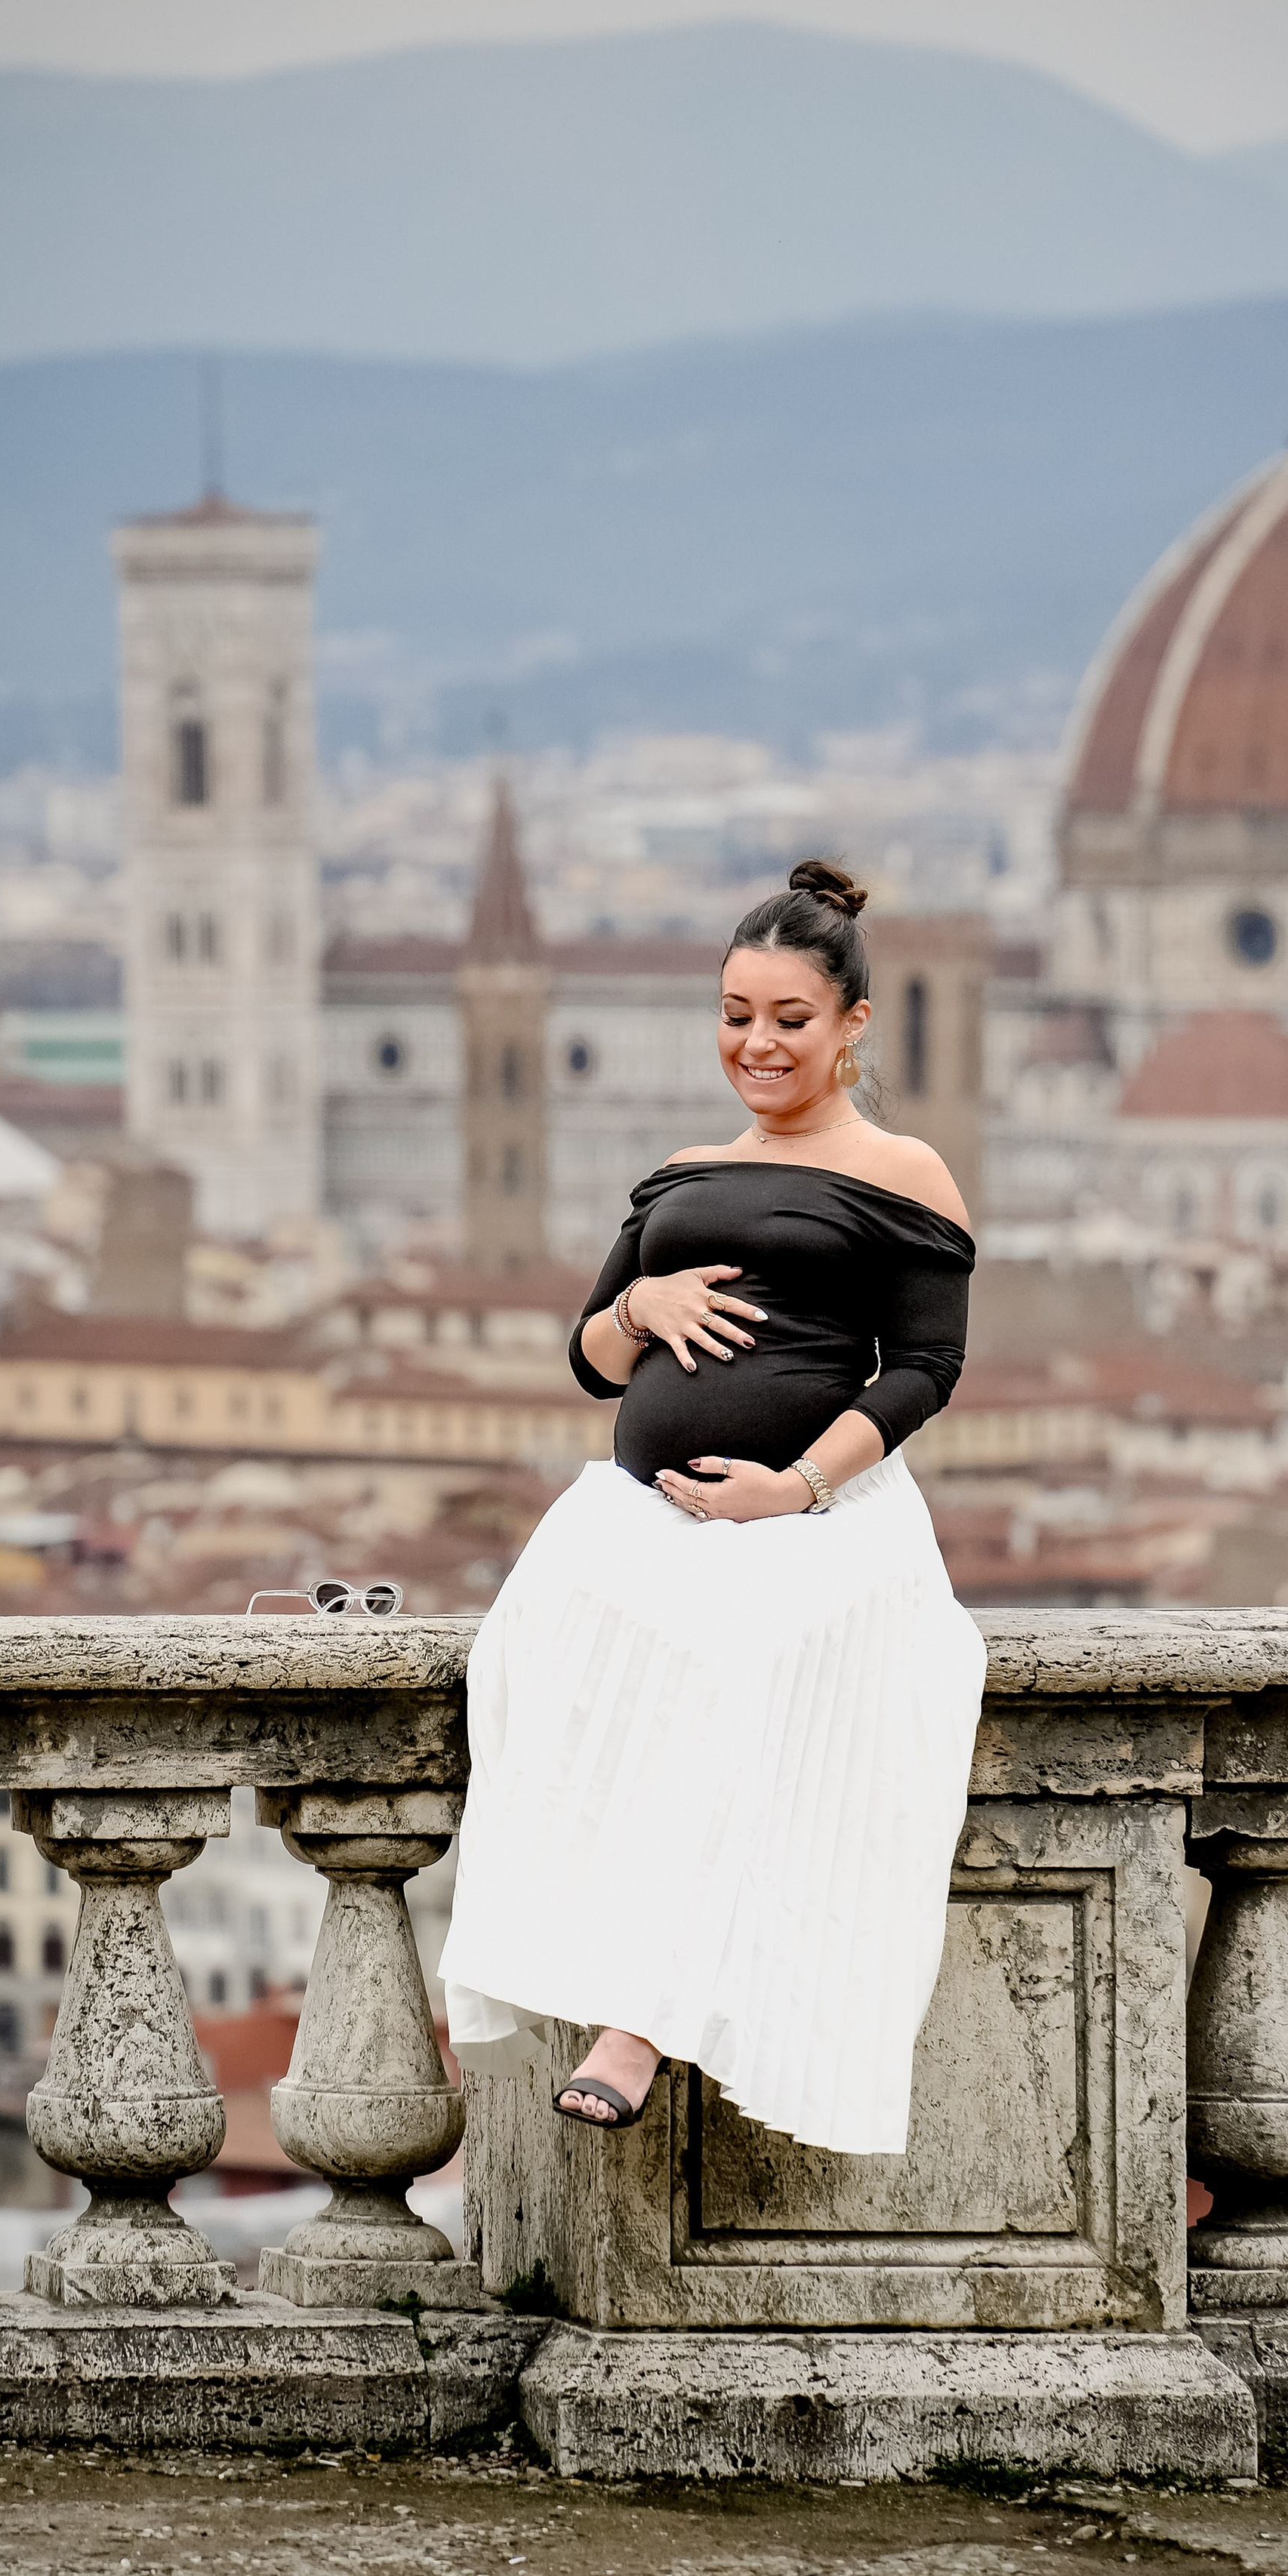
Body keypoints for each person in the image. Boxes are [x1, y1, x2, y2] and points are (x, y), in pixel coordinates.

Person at [439, 859, 983, 2155]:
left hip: (817, 1519)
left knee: (741, 1677)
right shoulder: (678, 1174)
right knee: (538, 1659)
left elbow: (926, 1369)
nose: (758, 1042)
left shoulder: (906, 1173)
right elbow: (588, 1358)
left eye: (789, 1018)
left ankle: (638, 2019)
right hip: (640, 1516)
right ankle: (581, 1962)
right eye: (737, 1014)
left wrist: (794, 1491)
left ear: (852, 1025)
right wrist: (642, 1308)